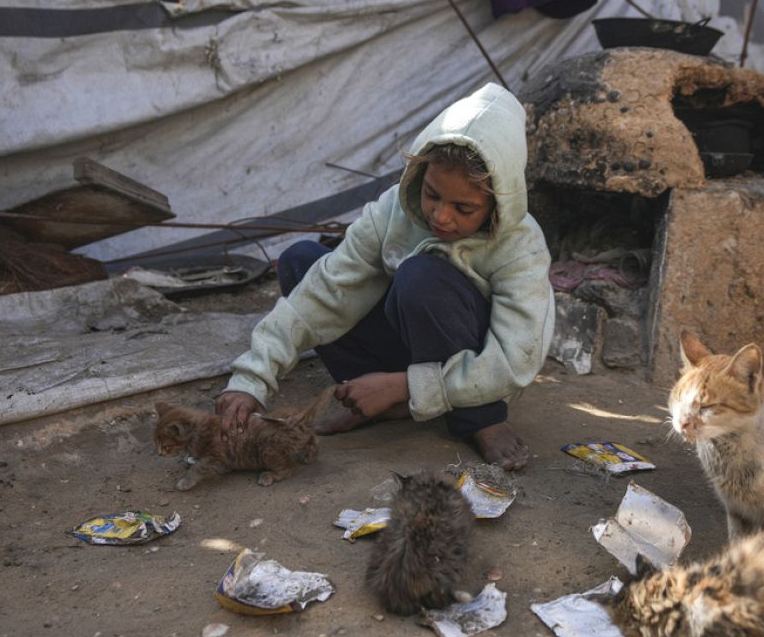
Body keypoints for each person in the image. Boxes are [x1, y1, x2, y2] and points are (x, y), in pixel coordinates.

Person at [215, 83, 554, 470]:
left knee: (422, 278)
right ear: (419, 174)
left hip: (471, 364)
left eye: (464, 208)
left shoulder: (521, 246)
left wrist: (404, 384)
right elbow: (326, 292)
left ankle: (481, 420)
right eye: (432, 195)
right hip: (406, 341)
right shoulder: (392, 211)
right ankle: (376, 399)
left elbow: (514, 361)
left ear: (498, 203)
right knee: (300, 261)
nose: (441, 216)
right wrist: (251, 378)